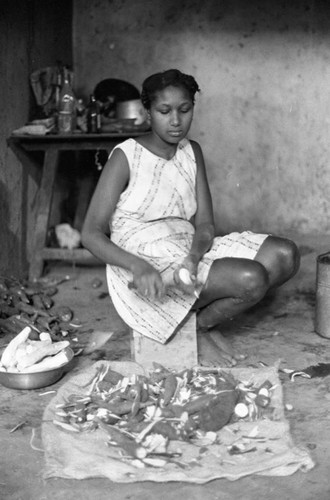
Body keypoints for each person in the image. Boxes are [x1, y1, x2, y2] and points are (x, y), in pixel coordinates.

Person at [81, 68, 300, 366]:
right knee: (252, 278)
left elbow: (206, 224)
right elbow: (91, 233)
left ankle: (196, 326)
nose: (175, 121)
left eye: (184, 110)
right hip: (142, 263)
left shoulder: (191, 151)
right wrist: (138, 266)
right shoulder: (126, 156)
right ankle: (196, 330)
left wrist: (194, 257)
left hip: (186, 249)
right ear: (147, 112)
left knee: (285, 254)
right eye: (164, 111)